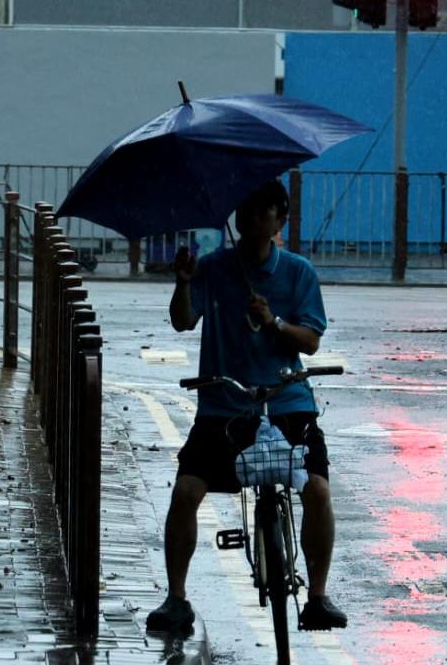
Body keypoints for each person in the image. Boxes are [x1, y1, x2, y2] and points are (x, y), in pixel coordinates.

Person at [145, 179, 347, 633]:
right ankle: (176, 598)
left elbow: (310, 342)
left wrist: (272, 322)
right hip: (223, 408)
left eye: (263, 210)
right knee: (185, 493)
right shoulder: (214, 268)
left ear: (281, 217)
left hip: (286, 403)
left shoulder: (297, 273)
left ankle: (317, 596)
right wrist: (182, 282)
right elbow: (183, 320)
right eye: (245, 209)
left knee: (316, 490)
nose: (251, 217)